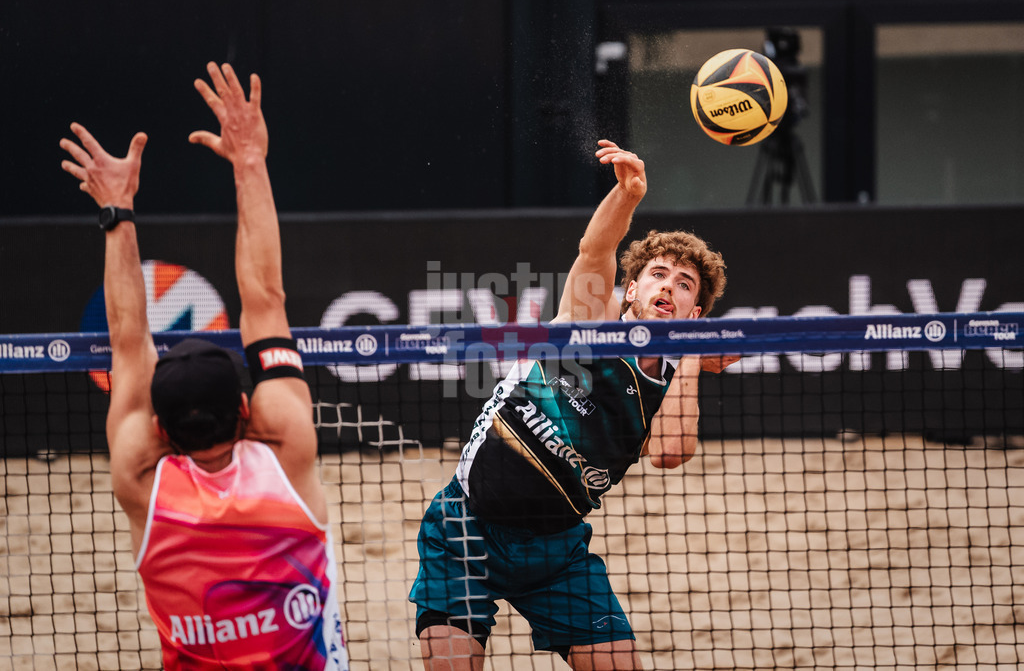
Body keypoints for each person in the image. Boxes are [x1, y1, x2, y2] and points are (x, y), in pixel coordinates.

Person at [59, 62, 348, 670]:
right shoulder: (285, 448)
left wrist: (117, 211)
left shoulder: (143, 480)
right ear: (245, 411)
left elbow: (127, 342)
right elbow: (265, 297)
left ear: (161, 429)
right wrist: (250, 162)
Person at [409, 140, 737, 670]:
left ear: (693, 312)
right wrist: (628, 195)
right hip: (464, 530)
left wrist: (690, 348)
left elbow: (671, 452)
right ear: (630, 290)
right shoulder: (585, 325)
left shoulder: (675, 379)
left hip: (557, 553)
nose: (668, 286)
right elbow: (594, 251)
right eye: (657, 274)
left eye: (684, 284)